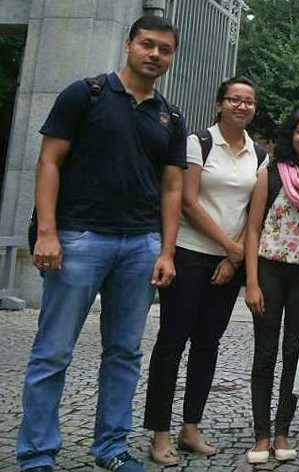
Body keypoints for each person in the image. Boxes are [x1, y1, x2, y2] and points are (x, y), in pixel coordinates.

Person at [17, 16, 186, 472]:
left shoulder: (170, 117)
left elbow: (173, 188)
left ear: (171, 57)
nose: (155, 54)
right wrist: (48, 232)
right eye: (147, 44)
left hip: (141, 245)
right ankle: (36, 453)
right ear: (129, 44)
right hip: (79, 238)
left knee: (125, 353)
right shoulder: (84, 94)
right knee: (53, 352)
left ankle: (110, 447)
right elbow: (49, 162)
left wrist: (166, 251)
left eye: (165, 49)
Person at [142, 77, 261, 466]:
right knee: (172, 342)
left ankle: (190, 426)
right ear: (219, 104)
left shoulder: (259, 155)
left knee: (208, 344)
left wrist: (233, 258)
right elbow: (188, 202)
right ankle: (160, 432)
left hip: (228, 264)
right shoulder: (199, 142)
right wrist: (230, 246)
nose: (241, 106)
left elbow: (253, 213)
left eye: (248, 101)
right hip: (190, 254)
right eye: (234, 99)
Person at [242, 108, 299, 465]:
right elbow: (253, 229)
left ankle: (282, 431)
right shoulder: (271, 173)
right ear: (291, 135)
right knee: (265, 353)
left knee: (295, 353)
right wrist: (251, 282)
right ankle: (261, 435)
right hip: (270, 270)